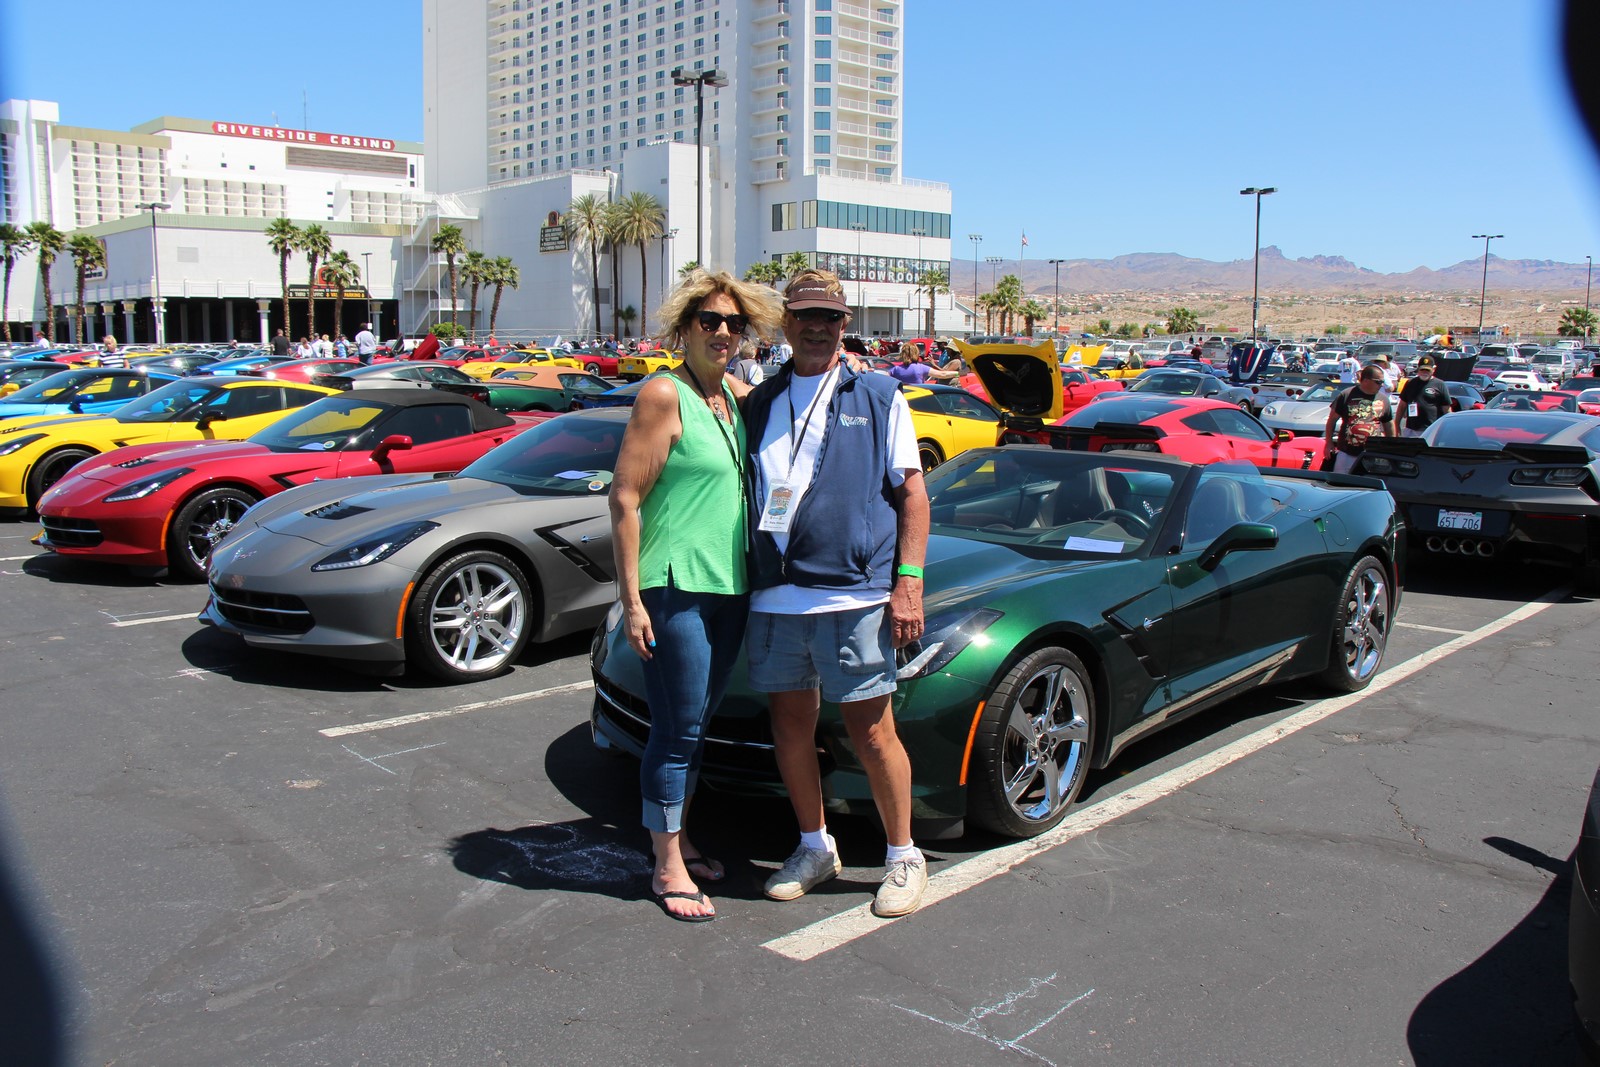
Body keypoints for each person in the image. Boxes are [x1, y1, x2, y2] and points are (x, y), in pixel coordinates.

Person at [743, 269, 931, 918]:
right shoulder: (761, 402)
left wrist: (908, 581)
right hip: (775, 597)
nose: (817, 328)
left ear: (845, 325)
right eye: (805, 316)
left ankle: (904, 856)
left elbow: (912, 495)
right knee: (790, 727)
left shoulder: (878, 395)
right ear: (786, 323)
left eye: (830, 317)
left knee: (873, 733)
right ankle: (814, 846)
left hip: (852, 596)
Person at [609, 269, 784, 923]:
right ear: (684, 327)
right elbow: (624, 497)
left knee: (697, 725)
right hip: (674, 586)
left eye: (735, 323)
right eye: (709, 320)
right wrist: (632, 600)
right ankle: (665, 865)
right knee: (676, 729)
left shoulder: (731, 398)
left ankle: (680, 840)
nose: (723, 332)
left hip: (728, 587)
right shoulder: (665, 393)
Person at [1323, 363, 1397, 473]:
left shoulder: (1383, 399)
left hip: (1373, 454)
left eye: (1382, 382)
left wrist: (1391, 447)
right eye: (1378, 382)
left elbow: (1389, 424)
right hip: (1347, 452)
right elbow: (1332, 420)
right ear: (1366, 380)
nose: (1381, 385)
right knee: (1341, 481)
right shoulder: (1346, 395)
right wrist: (1329, 443)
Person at [1398, 355, 1452, 437]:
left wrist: (1448, 428)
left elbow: (1446, 409)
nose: (1424, 372)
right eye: (1422, 369)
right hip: (1411, 429)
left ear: (1433, 369)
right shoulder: (1410, 383)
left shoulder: (1440, 384)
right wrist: (1397, 424)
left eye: (1427, 370)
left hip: (1432, 429)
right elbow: (1402, 405)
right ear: (1418, 369)